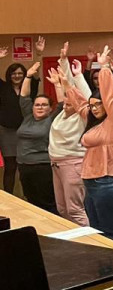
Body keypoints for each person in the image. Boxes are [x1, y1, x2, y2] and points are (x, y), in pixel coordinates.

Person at [65, 46, 113, 245]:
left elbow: (111, 96)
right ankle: (107, 269)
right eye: (93, 105)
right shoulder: (96, 122)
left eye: (99, 104)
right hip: (94, 182)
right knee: (98, 232)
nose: (95, 109)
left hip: (112, 181)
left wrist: (104, 68)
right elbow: (79, 103)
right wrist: (66, 79)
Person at [46, 50, 91, 226]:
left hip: (73, 164)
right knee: (62, 209)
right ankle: (73, 243)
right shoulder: (62, 114)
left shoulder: (82, 117)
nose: (65, 104)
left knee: (75, 210)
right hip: (56, 164)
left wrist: (78, 76)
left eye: (69, 101)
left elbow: (85, 97)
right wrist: (63, 61)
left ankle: (89, 245)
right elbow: (67, 90)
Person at [0, 36, 43, 193]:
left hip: (26, 131)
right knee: (10, 167)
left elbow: (36, 73)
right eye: (13, 74)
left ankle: (28, 197)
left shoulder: (30, 87)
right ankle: (9, 197)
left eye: (20, 73)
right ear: (9, 75)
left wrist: (38, 54)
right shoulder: (3, 88)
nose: (17, 76)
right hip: (7, 132)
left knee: (26, 165)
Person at [16, 58, 58, 214]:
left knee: (46, 203)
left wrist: (58, 84)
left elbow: (61, 103)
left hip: (43, 167)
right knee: (31, 201)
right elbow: (24, 96)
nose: (40, 107)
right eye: (37, 104)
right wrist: (27, 76)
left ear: (49, 108)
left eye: (44, 105)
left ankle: (52, 233)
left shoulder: (52, 119)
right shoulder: (28, 117)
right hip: (24, 166)